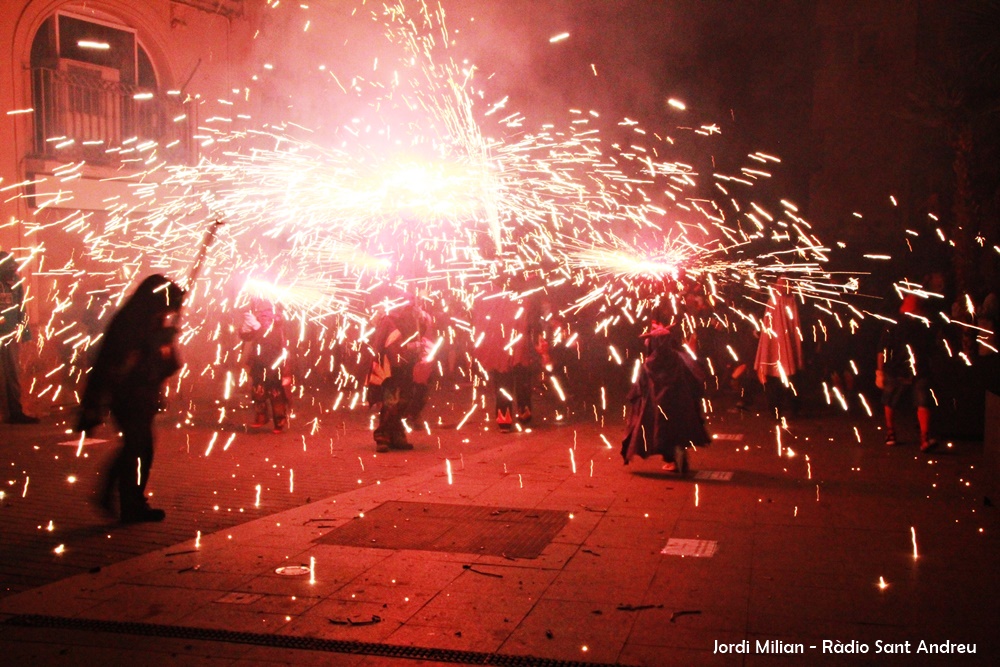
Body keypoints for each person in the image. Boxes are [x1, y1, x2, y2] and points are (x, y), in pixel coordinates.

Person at [75, 275, 184, 523]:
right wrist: (157, 344)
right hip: (127, 395)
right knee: (138, 446)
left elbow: (168, 366)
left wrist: (166, 344)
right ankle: (125, 501)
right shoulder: (131, 323)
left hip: (141, 395)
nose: (167, 313)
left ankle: (127, 500)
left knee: (137, 446)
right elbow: (120, 362)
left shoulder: (150, 321)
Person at [621, 321, 710, 474]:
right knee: (676, 430)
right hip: (678, 401)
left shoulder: (650, 362)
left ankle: (671, 460)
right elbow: (694, 376)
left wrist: (636, 397)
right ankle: (677, 456)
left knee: (660, 432)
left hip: (657, 404)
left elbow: (641, 385)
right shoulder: (678, 358)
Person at [366, 294, 433, 451]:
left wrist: (422, 324)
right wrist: (408, 347)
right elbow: (385, 344)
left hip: (406, 365)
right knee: (391, 401)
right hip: (390, 368)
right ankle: (382, 435)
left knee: (405, 399)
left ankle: (396, 433)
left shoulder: (416, 319)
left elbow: (420, 335)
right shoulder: (389, 319)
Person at [876, 294, 938, 452]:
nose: (914, 304)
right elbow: (882, 349)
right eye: (911, 301)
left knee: (923, 400)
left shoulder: (923, 323)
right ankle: (890, 432)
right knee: (890, 400)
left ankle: (925, 437)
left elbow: (931, 347)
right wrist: (880, 371)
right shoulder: (894, 322)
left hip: (919, 368)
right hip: (895, 368)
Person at [472, 292, 539, 432]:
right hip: (517, 345)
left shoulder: (489, 297)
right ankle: (523, 412)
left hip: (500, 346)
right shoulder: (523, 296)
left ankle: (505, 418)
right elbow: (532, 321)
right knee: (521, 380)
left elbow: (480, 322)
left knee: (504, 381)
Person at [754, 277, 804, 418]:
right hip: (779, 348)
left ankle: (781, 410)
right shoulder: (784, 301)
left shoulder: (782, 300)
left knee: (779, 383)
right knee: (785, 382)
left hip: (776, 350)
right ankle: (786, 409)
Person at [239, 298, 292, 433]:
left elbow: (269, 339)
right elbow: (246, 337)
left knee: (276, 395)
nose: (264, 317)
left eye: (267, 313)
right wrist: (245, 328)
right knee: (258, 392)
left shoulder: (277, 326)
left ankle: (279, 421)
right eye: (261, 313)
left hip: (275, 366)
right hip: (258, 365)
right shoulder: (257, 323)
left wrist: (258, 328)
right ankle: (261, 417)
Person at [0, 251, 39, 424]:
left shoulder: (16, 283)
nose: (11, 276)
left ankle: (15, 411)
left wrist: (25, 333)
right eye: (8, 273)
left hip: (11, 336)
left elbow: (21, 308)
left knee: (12, 374)